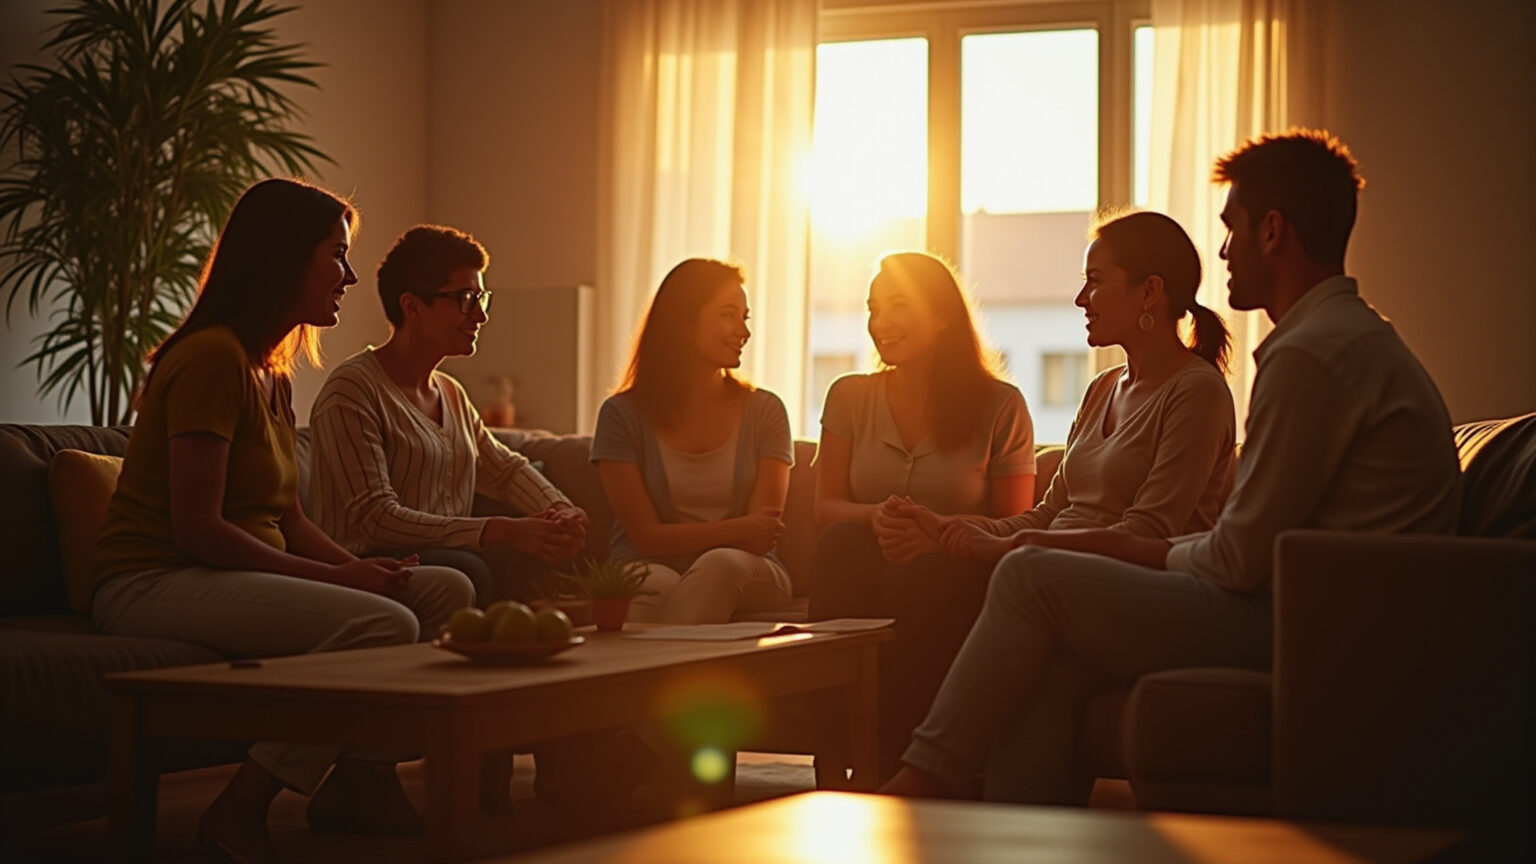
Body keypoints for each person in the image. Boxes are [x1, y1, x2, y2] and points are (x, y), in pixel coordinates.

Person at [880, 129, 1463, 804]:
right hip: (1306, 605)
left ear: (1273, 232)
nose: (1223, 252)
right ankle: (1018, 838)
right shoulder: (1337, 340)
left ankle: (921, 779)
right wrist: (994, 533)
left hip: (1318, 629)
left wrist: (1047, 545)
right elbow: (1242, 546)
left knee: (1028, 577)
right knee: (1053, 664)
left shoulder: (1311, 355)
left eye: (1232, 229)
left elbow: (1235, 561)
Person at [91, 179, 476, 862]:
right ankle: (240, 807)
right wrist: (346, 581)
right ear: (283, 258)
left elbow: (288, 516)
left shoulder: (273, 372)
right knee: (380, 622)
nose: (350, 277)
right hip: (153, 579)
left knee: (445, 590)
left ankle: (360, 778)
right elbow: (197, 529)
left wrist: (356, 569)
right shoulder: (212, 359)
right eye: (336, 255)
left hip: (214, 568)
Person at [807, 251, 1037, 782]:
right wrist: (880, 517)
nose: (880, 323)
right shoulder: (849, 395)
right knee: (843, 541)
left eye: (898, 306)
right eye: (873, 308)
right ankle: (831, 764)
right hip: (865, 558)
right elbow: (824, 508)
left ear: (942, 316)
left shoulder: (1001, 405)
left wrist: (938, 536)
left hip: (952, 571)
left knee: (930, 575)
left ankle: (902, 769)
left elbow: (1015, 525)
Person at [906, 210, 1236, 564]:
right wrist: (948, 528)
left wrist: (1012, 548)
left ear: (1150, 291)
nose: (1081, 298)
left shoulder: (1198, 393)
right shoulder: (1101, 388)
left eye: (1095, 281)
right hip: (1047, 565)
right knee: (922, 560)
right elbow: (1046, 516)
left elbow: (1149, 532)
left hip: (1127, 582)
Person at [309, 224, 588, 604]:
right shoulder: (353, 390)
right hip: (369, 558)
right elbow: (376, 518)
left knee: (547, 552)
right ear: (412, 306)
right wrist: (499, 529)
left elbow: (504, 470)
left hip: (449, 551)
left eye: (481, 298)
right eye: (465, 298)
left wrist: (560, 511)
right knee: (470, 568)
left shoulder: (450, 392)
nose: (480, 316)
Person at [590, 258, 795, 624]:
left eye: (745, 317)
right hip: (646, 564)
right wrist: (740, 527)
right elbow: (646, 539)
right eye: (729, 315)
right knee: (649, 584)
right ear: (683, 322)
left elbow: (761, 538)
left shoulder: (765, 411)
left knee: (719, 565)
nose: (744, 331)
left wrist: (742, 532)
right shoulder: (621, 415)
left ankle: (662, 679)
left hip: (749, 569)